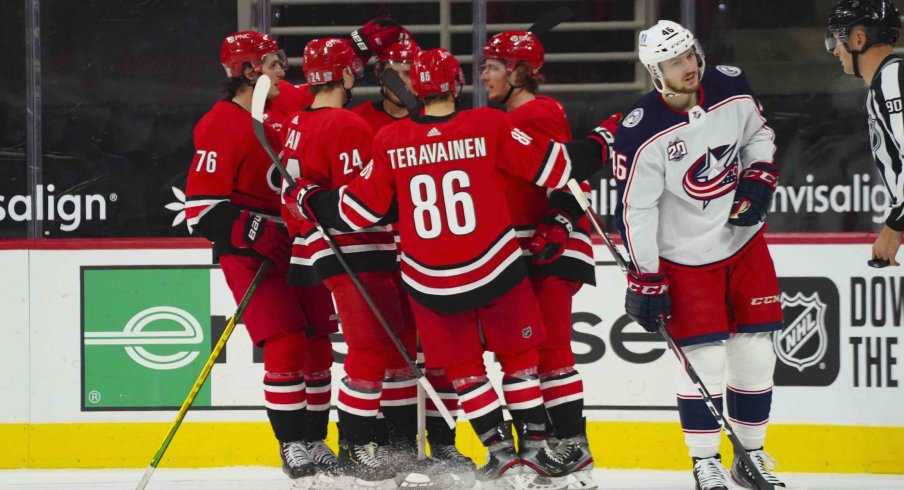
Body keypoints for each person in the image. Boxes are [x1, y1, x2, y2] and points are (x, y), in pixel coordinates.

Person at [285, 47, 615, 490]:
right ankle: (535, 448)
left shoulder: (391, 139)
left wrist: (309, 198)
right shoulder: (488, 124)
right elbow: (557, 168)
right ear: (458, 85)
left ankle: (499, 453)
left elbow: (359, 211)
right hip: (497, 266)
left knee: (465, 371)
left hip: (431, 278)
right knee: (520, 362)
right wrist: (605, 140)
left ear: (415, 89)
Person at [612, 20, 786, 490]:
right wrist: (645, 276)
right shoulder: (642, 131)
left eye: (689, 54)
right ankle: (705, 461)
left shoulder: (730, 84)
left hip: (743, 247)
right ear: (655, 72)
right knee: (704, 361)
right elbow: (636, 211)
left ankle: (750, 457)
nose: (688, 67)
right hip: (685, 261)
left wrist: (758, 175)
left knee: (755, 353)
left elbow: (759, 135)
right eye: (674, 62)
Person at [183, 31, 339, 483]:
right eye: (273, 61)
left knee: (318, 345)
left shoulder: (284, 101)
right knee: (287, 342)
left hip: (298, 241)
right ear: (249, 71)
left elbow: (326, 89)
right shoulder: (220, 123)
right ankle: (291, 443)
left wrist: (359, 45)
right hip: (250, 251)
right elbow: (201, 210)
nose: (283, 68)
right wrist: (253, 230)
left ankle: (315, 441)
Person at [280, 36, 421, 488]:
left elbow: (294, 201)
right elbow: (365, 202)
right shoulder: (347, 125)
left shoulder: (298, 122)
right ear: (345, 74)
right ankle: (358, 446)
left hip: (323, 248)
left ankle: (397, 445)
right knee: (371, 348)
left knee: (395, 344)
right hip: (357, 249)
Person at [481, 30, 597, 490]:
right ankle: (549, 444)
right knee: (527, 353)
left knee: (549, 353)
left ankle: (573, 444)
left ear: (517, 70)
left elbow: (568, 179)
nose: (484, 75)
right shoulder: (509, 116)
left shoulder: (539, 111)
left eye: (492, 66)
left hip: (550, 249)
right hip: (525, 250)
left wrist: (559, 223)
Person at [826, 0, 904, 266]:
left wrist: (894, 227)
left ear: (859, 38)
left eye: (836, 39)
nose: (835, 50)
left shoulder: (893, 80)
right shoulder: (885, 83)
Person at [352, 38, 421, 130]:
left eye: (408, 73)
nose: (399, 81)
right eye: (393, 74)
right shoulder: (358, 118)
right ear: (381, 77)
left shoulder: (433, 116)